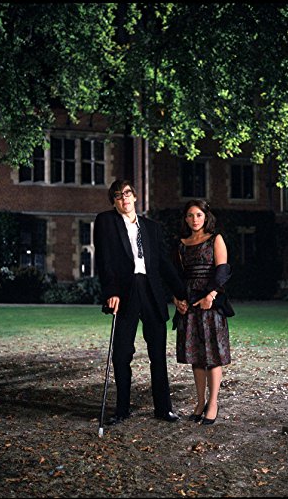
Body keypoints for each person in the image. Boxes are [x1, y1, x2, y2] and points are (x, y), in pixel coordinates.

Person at [94, 179, 187, 425]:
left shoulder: (151, 227)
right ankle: (122, 409)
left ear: (134, 196)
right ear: (114, 202)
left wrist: (181, 293)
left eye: (127, 193)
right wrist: (111, 291)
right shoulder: (106, 222)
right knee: (121, 353)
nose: (123, 198)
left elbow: (163, 264)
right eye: (118, 196)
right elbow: (104, 260)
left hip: (152, 291)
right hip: (125, 291)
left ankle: (163, 408)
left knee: (157, 352)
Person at [172, 199, 232, 425]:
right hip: (189, 302)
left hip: (210, 301)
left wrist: (211, 296)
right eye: (190, 215)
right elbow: (177, 276)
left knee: (212, 355)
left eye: (198, 215)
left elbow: (222, 271)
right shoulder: (181, 244)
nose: (194, 219)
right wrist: (176, 299)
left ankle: (213, 403)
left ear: (206, 217)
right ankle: (200, 402)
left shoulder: (215, 239)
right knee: (196, 356)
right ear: (185, 219)